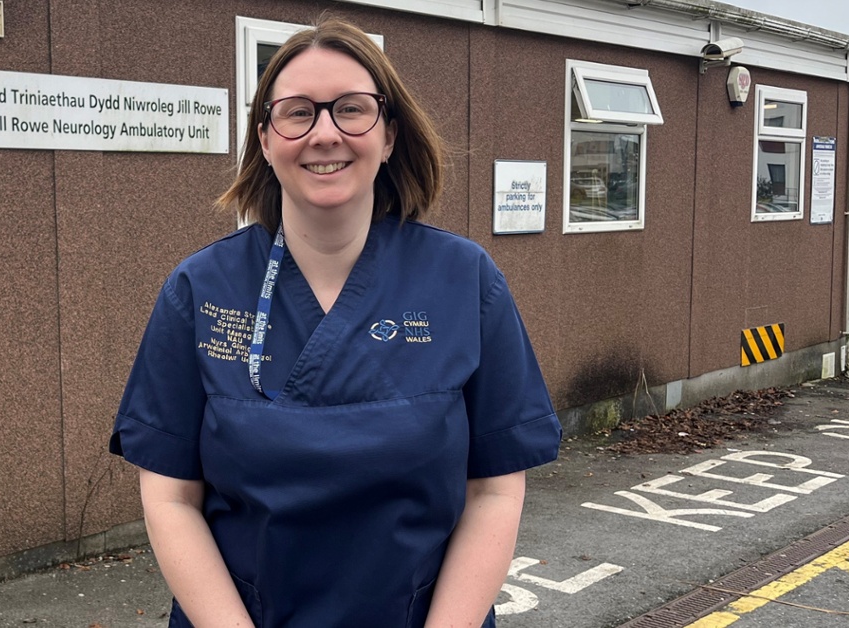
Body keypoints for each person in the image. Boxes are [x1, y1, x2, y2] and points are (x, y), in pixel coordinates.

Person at [108, 18, 562, 628]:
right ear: (265, 140)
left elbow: (496, 491)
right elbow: (169, 497)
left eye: (352, 109)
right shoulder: (199, 291)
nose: (325, 133)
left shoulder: (465, 281)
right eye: (298, 113)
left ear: (390, 135)